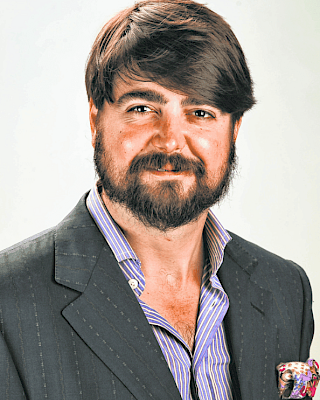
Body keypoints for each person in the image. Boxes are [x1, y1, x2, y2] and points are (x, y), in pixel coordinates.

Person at [0, 0, 315, 399]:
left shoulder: (285, 290)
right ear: (95, 119)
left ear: (233, 130)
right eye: (142, 108)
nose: (170, 140)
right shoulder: (8, 304)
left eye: (200, 113)